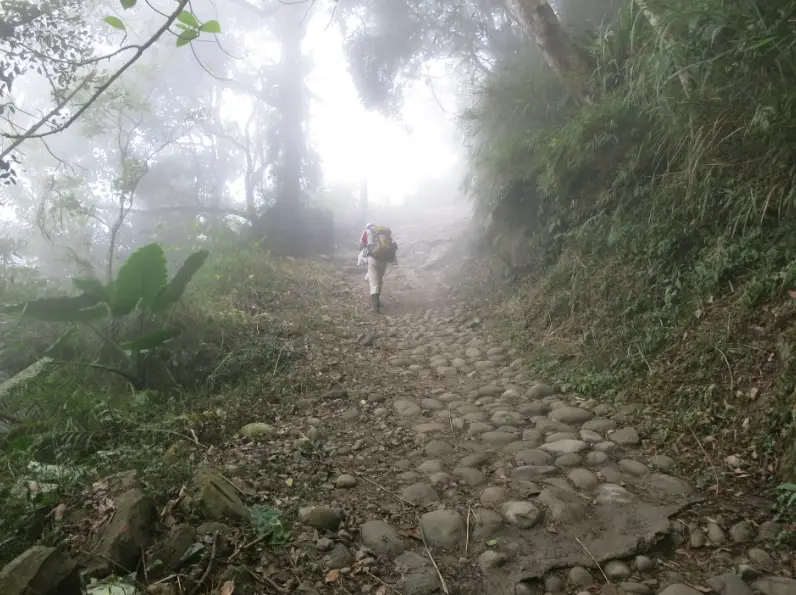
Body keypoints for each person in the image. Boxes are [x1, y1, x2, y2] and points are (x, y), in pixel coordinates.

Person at [358, 222, 397, 313]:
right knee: (377, 280)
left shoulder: (367, 232)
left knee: (373, 283)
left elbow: (361, 245)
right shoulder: (384, 234)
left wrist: (364, 251)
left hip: (373, 259)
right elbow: (393, 245)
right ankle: (377, 301)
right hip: (384, 260)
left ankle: (375, 307)